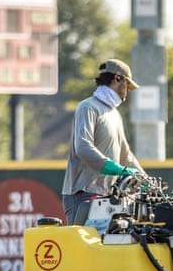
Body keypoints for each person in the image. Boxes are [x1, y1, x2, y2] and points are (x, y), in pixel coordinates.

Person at [61, 58, 146, 225]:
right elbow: (83, 147)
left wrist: (143, 178)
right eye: (127, 86)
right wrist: (116, 169)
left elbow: (126, 155)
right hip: (83, 195)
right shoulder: (87, 107)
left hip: (107, 196)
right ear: (117, 79)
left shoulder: (114, 114)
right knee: (86, 242)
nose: (127, 92)